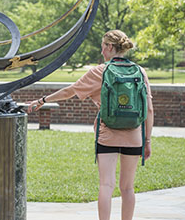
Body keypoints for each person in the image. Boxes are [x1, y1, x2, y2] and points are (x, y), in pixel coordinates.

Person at [26, 29, 154, 220]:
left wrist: (42, 100)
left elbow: (69, 91)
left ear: (110, 47)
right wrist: (148, 140)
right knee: (127, 188)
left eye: (103, 47)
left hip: (107, 135)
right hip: (134, 136)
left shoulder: (100, 71)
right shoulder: (140, 71)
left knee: (106, 186)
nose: (102, 52)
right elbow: (149, 109)